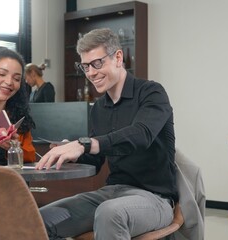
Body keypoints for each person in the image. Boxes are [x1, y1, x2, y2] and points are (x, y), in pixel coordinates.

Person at [36, 28, 178, 240]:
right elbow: (95, 160)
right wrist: (70, 152)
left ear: (118, 57)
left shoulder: (152, 93)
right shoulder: (99, 108)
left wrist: (85, 143)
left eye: (97, 63)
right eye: (85, 66)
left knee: (109, 213)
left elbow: (141, 135)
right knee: (39, 219)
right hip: (111, 193)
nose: (91, 73)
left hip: (154, 198)